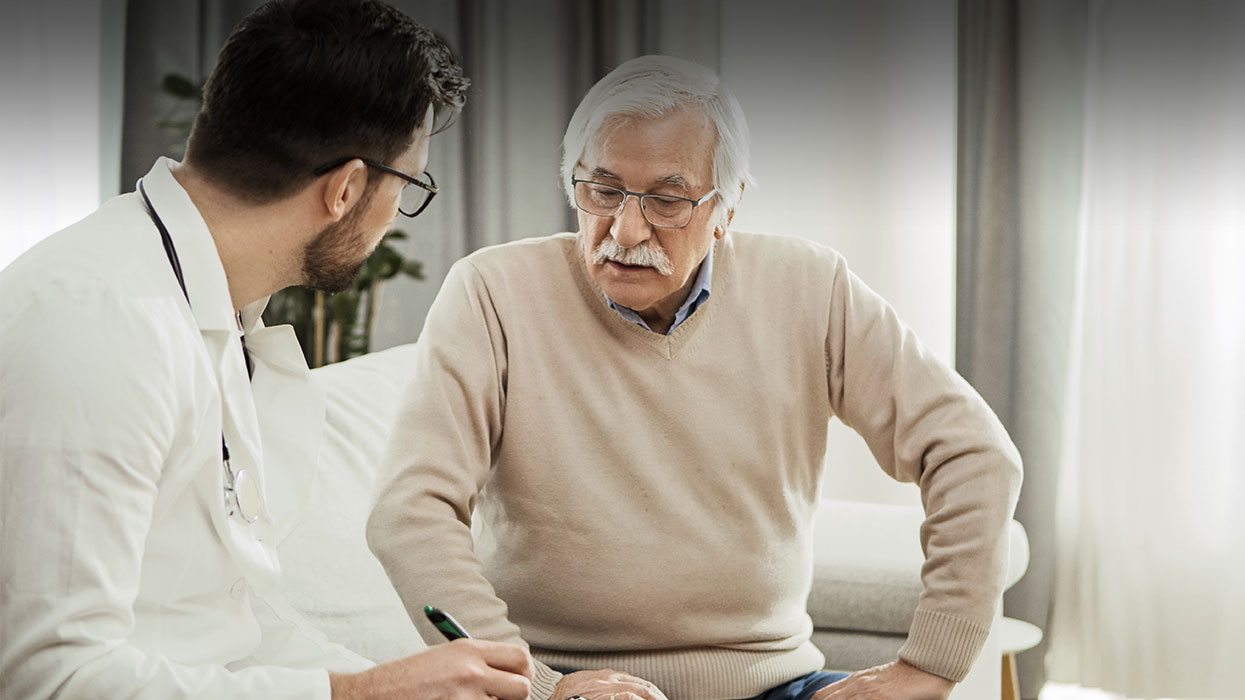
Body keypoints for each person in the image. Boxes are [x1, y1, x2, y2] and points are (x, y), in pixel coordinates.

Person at [366, 55, 1024, 700]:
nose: (625, 228)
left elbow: (973, 454)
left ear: (727, 207)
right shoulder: (491, 293)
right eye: (602, 190)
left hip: (774, 684)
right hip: (564, 682)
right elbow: (409, 511)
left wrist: (930, 667)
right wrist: (538, 688)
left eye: (668, 200)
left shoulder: (811, 288)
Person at [0, 1, 536, 698]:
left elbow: (224, 621)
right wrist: (361, 695)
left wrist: (401, 683)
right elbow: (51, 677)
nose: (393, 215)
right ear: (346, 189)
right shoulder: (97, 325)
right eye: (407, 186)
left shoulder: (209, 308)